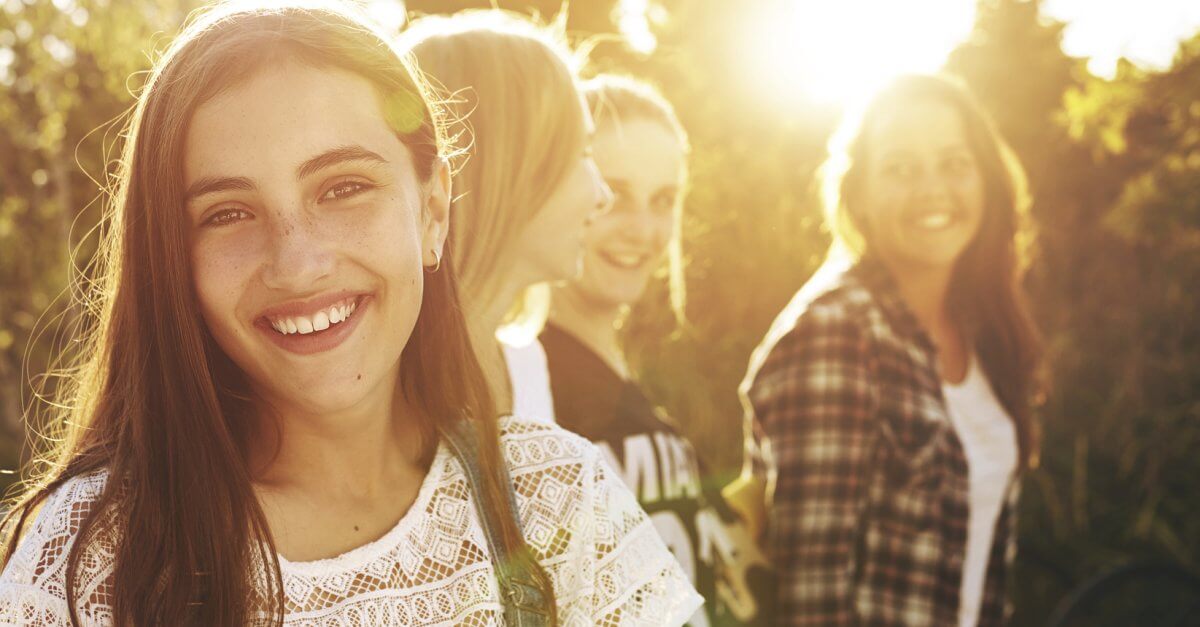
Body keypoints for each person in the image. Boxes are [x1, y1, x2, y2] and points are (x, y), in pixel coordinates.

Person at [0, 3, 701, 625]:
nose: (297, 263)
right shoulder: (88, 567)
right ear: (171, 259)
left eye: (343, 188)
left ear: (432, 211)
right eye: (228, 213)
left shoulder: (559, 502)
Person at [733, 74, 1042, 626]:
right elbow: (811, 600)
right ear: (860, 196)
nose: (932, 189)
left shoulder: (978, 328)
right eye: (900, 168)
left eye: (954, 163)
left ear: (986, 181)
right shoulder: (836, 333)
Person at [543, 75, 771, 627]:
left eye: (663, 201)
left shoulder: (625, 384)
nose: (642, 229)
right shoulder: (523, 382)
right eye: (614, 195)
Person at [397, 11, 613, 426]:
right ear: (508, 169)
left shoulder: (526, 367)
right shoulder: (380, 389)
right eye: (583, 153)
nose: (603, 196)